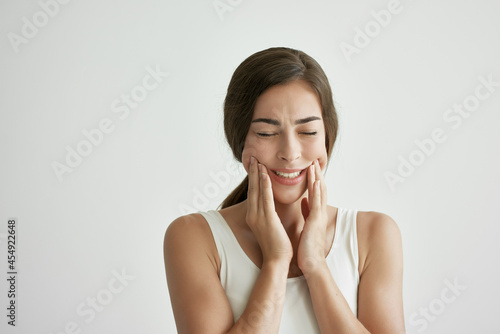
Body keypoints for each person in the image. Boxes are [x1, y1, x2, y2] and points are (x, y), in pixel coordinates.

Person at [164, 47, 405, 333]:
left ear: (327, 136)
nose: (290, 153)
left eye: (308, 132)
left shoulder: (374, 233)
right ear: (239, 140)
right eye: (267, 133)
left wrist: (315, 264)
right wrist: (276, 262)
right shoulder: (194, 237)